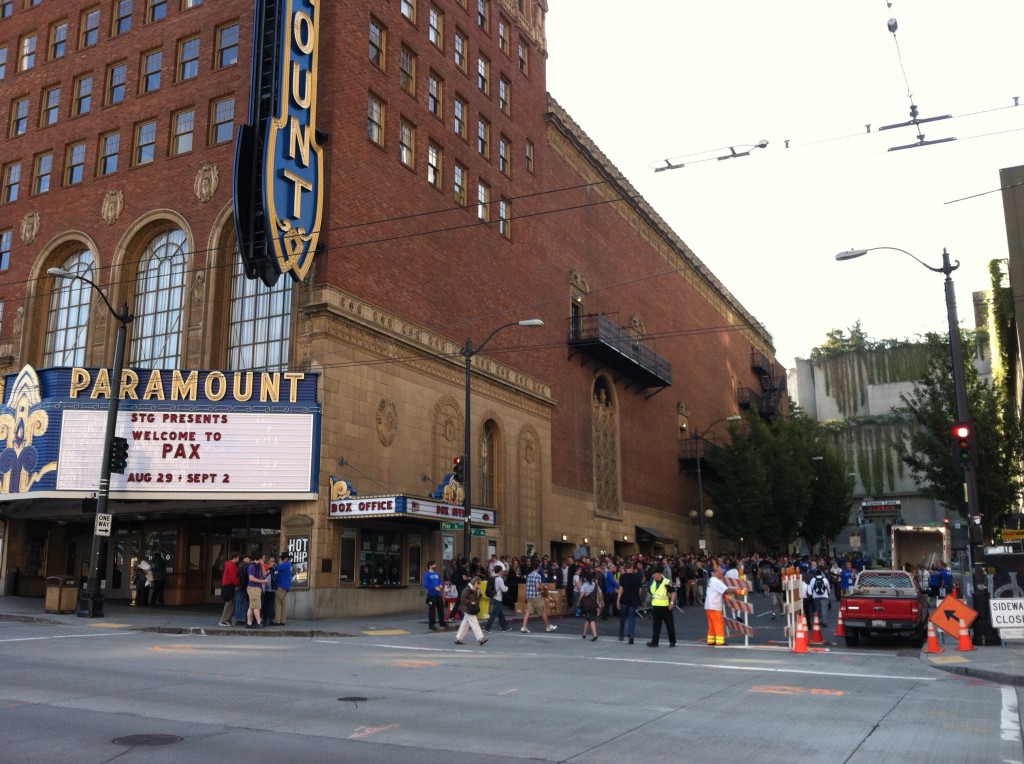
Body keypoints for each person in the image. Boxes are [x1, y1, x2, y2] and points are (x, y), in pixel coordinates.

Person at [704, 565, 741, 646]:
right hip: (714, 606)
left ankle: (710, 640)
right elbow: (727, 590)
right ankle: (720, 641)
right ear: (718, 573)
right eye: (721, 574)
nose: (722, 576)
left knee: (711, 625)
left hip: (708, 606)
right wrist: (739, 591)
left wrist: (724, 595)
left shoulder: (711, 580)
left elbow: (718, 591)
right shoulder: (717, 581)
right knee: (718, 624)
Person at [520, 560, 558, 633]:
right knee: (543, 611)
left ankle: (524, 627)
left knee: (527, 611)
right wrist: (542, 588)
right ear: (538, 567)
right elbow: (537, 586)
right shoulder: (537, 576)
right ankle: (548, 627)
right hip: (536, 595)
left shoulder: (529, 575)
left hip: (529, 596)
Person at [646, 568, 677, 647]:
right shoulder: (652, 582)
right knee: (656, 626)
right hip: (656, 607)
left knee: (669, 625)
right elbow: (650, 591)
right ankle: (655, 642)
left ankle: (672, 641)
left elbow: (673, 592)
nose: (653, 576)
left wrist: (672, 603)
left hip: (665, 607)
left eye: (654, 574)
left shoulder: (666, 582)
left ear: (659, 574)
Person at [453, 576, 488, 646]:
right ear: (474, 583)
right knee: (475, 623)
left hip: (470, 608)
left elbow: (478, 598)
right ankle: (480, 639)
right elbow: (462, 599)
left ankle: (458, 639)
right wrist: (470, 602)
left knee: (465, 624)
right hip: (467, 608)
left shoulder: (476, 589)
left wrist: (479, 594)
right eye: (478, 583)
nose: (479, 584)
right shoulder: (467, 589)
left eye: (479, 583)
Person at [616, 560, 643, 644]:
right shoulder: (637, 577)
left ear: (625, 568)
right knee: (632, 617)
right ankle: (631, 634)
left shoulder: (622, 577)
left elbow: (621, 589)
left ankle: (621, 635)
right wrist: (636, 596)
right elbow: (640, 590)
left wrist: (618, 600)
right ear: (631, 567)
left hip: (624, 599)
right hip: (633, 599)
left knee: (623, 617)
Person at [482, 563, 512, 633]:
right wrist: (508, 587)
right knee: (494, 614)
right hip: (498, 598)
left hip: (493, 596)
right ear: (500, 571)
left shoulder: (492, 577)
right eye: (502, 571)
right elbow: (504, 589)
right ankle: (487, 627)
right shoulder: (499, 579)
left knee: (500, 613)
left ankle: (504, 627)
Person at [422, 561, 447, 631]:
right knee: (432, 610)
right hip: (432, 594)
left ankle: (442, 622)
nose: (435, 566)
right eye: (434, 565)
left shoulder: (436, 574)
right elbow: (425, 585)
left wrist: (441, 585)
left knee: (441, 608)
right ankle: (431, 624)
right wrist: (434, 587)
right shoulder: (427, 575)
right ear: (430, 566)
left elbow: (440, 581)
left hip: (439, 594)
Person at [246, 554, 268, 629]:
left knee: (251, 606)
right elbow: (251, 578)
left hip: (256, 588)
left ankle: (249, 623)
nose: (264, 560)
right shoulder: (252, 566)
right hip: (253, 587)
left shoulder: (258, 566)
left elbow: (264, 575)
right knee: (256, 606)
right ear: (259, 558)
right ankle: (259, 622)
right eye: (263, 558)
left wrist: (262, 566)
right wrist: (262, 581)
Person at [578, 571, 602, 640]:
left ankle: (595, 635)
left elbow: (581, 595)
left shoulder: (585, 585)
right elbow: (600, 594)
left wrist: (578, 602)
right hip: (594, 604)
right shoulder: (596, 585)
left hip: (587, 605)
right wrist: (600, 602)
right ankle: (584, 634)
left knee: (591, 619)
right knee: (588, 619)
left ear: (586, 578)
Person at [219, 552, 240, 626]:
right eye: (237, 558)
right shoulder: (231, 565)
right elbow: (233, 577)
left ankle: (227, 619)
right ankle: (223, 620)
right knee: (229, 604)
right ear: (234, 558)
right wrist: (237, 583)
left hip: (227, 586)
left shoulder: (228, 564)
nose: (238, 559)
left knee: (229, 603)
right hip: (230, 586)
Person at [271, 552, 293, 625]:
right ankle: (282, 621)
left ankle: (277, 620)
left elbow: (276, 568)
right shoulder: (288, 565)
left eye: (282, 558)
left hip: (281, 586)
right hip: (285, 587)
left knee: (277, 603)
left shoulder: (286, 564)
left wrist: (272, 566)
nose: (281, 559)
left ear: (286, 558)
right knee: (283, 604)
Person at [233, 553, 251, 625]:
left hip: (239, 586)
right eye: (249, 558)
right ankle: (241, 619)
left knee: (238, 602)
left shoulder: (239, 565)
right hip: (243, 586)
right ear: (245, 558)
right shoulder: (246, 565)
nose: (250, 560)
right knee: (243, 602)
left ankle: (238, 618)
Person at [261, 555, 277, 626]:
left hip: (272, 590)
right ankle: (265, 618)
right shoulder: (267, 569)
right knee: (265, 605)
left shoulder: (275, 570)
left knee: (270, 605)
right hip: (266, 590)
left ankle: (270, 619)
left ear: (274, 562)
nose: (270, 562)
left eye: (272, 561)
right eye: (270, 561)